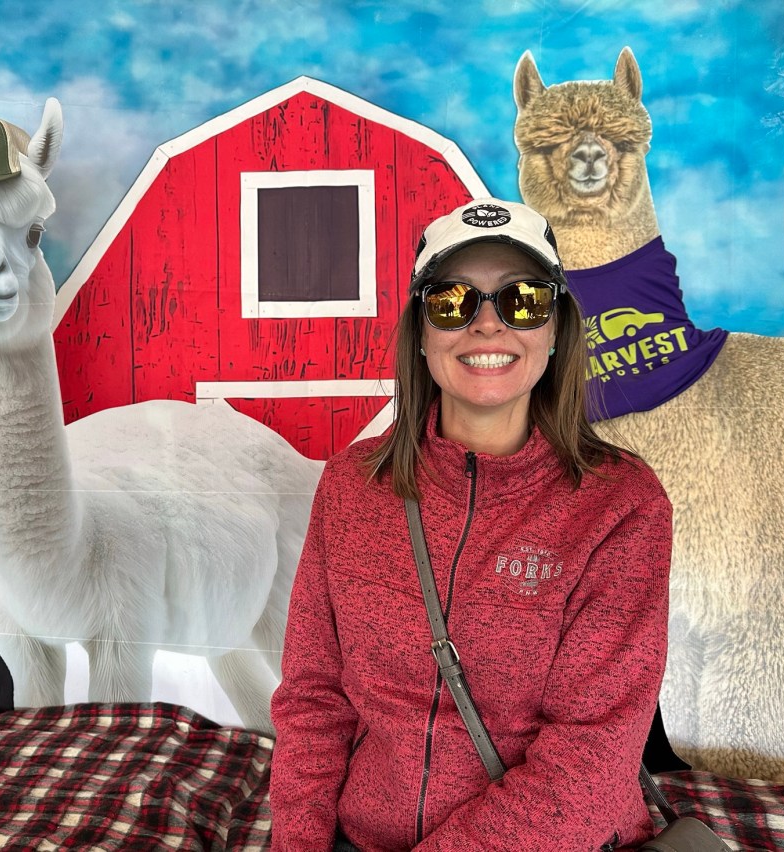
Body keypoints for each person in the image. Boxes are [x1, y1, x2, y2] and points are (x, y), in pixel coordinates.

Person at [269, 198, 673, 851]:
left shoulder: (621, 505)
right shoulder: (350, 486)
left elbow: (590, 763)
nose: (487, 324)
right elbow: (314, 699)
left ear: (556, 330)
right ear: (421, 332)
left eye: (523, 301)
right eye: (452, 300)